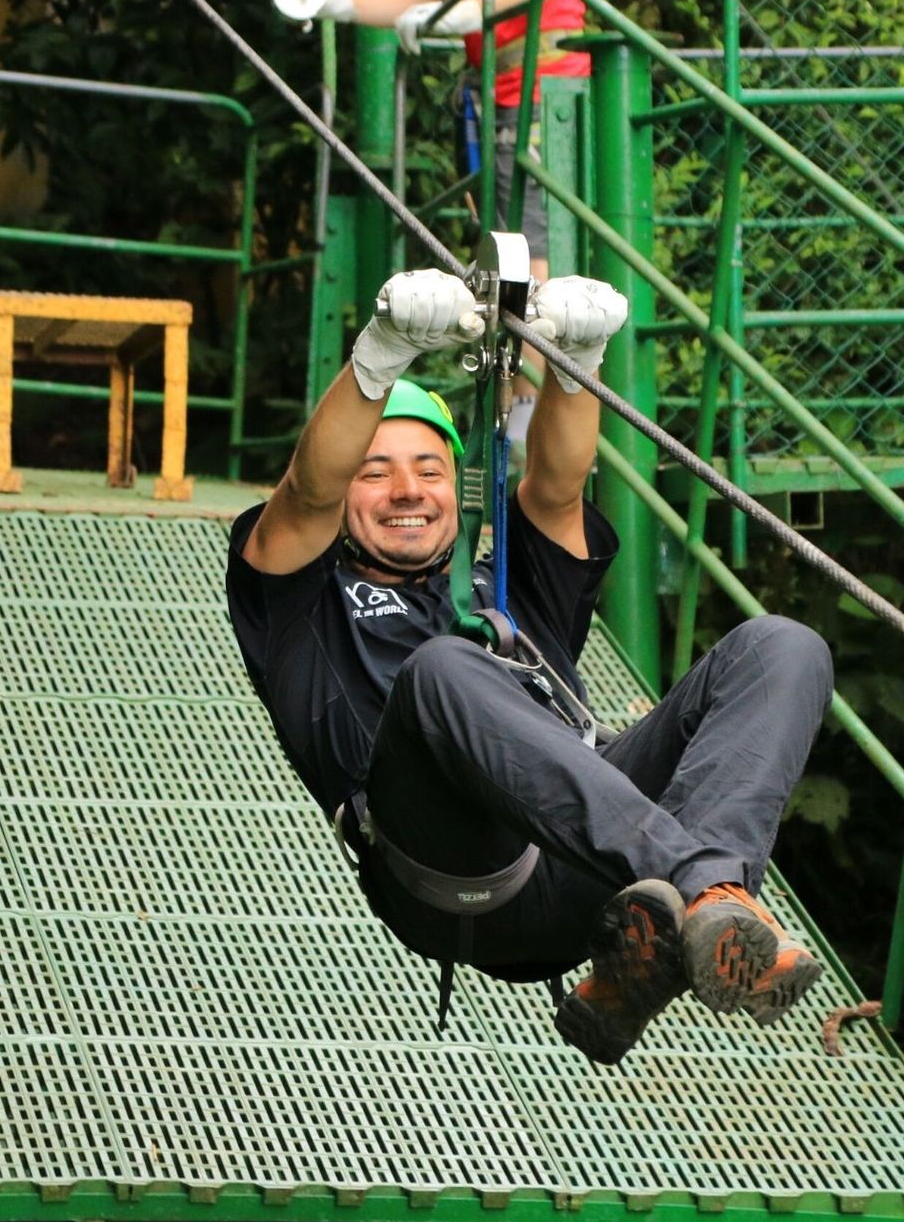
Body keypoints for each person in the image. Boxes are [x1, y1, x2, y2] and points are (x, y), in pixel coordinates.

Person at [225, 268, 836, 1066]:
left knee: (783, 646)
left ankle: (666, 934)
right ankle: (701, 886)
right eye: (374, 472)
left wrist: (577, 358)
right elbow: (306, 491)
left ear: (459, 484)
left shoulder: (503, 581)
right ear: (347, 494)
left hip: (594, 873)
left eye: (429, 469)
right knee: (444, 670)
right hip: (450, 871)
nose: (407, 489)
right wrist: (381, 357)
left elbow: (554, 486)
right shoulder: (302, 606)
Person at [301, 0, 589, 425]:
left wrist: (473, 11)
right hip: (495, 97)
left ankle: (532, 415)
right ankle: (515, 411)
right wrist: (340, 4)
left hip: (544, 89)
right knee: (507, 260)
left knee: (534, 260)